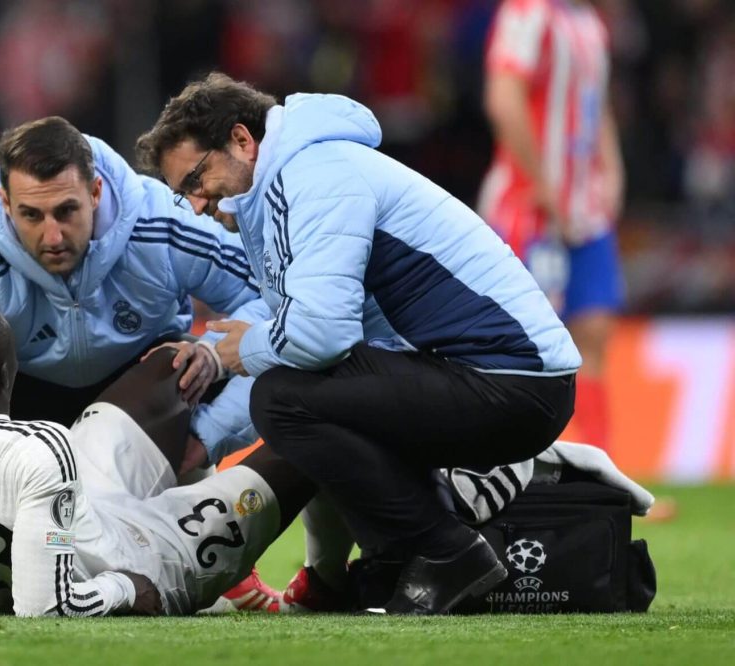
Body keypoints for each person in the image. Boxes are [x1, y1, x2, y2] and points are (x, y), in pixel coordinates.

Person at [136, 73, 580, 615]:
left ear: (241, 140)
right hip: (496, 378)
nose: (198, 204)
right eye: (185, 193)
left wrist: (241, 353)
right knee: (306, 395)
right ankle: (393, 563)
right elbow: (294, 321)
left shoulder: (316, 176)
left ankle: (447, 551)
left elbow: (322, 335)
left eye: (196, 180)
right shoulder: (301, 173)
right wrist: (212, 404)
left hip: (512, 384)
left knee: (283, 398)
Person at [0, 116, 276, 602]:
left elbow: (271, 302)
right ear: (5, 203)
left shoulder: (159, 222)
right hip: (26, 409)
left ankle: (215, 552)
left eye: (67, 211)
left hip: (144, 393)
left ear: (97, 192)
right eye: (32, 217)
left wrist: (209, 394)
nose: (53, 236)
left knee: (184, 362)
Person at [0, 301, 314, 616]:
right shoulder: (38, 449)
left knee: (175, 362)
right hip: (137, 556)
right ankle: (328, 576)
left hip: (84, 493)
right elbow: (46, 607)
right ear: (6, 374)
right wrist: (125, 588)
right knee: (314, 428)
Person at [477, 0, 624, 453]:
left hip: (586, 212)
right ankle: (512, 466)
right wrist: (542, 183)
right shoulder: (527, 11)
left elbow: (596, 104)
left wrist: (613, 171)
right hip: (528, 209)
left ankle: (606, 474)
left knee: (595, 333)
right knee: (524, 348)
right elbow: (504, 98)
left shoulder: (587, 20)